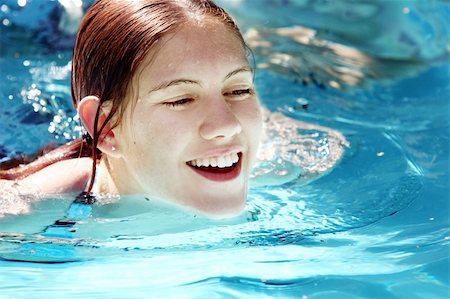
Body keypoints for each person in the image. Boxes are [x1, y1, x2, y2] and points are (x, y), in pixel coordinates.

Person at [0, 0, 263, 219]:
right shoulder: (35, 205)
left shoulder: (277, 164)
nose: (228, 125)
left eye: (238, 91)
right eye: (181, 100)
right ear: (107, 128)